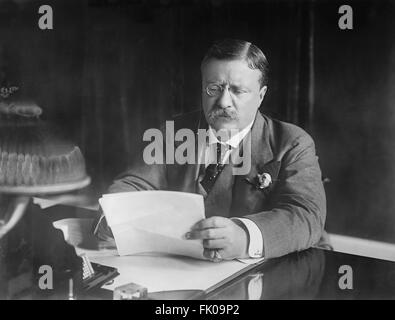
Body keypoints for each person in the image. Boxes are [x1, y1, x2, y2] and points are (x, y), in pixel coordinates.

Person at [95, 39, 328, 261]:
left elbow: (305, 213)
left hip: (277, 269)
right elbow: (135, 183)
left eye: (238, 91)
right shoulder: (173, 133)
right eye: (213, 88)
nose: (224, 102)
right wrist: (115, 216)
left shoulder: (292, 142)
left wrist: (244, 236)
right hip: (182, 266)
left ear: (261, 95)